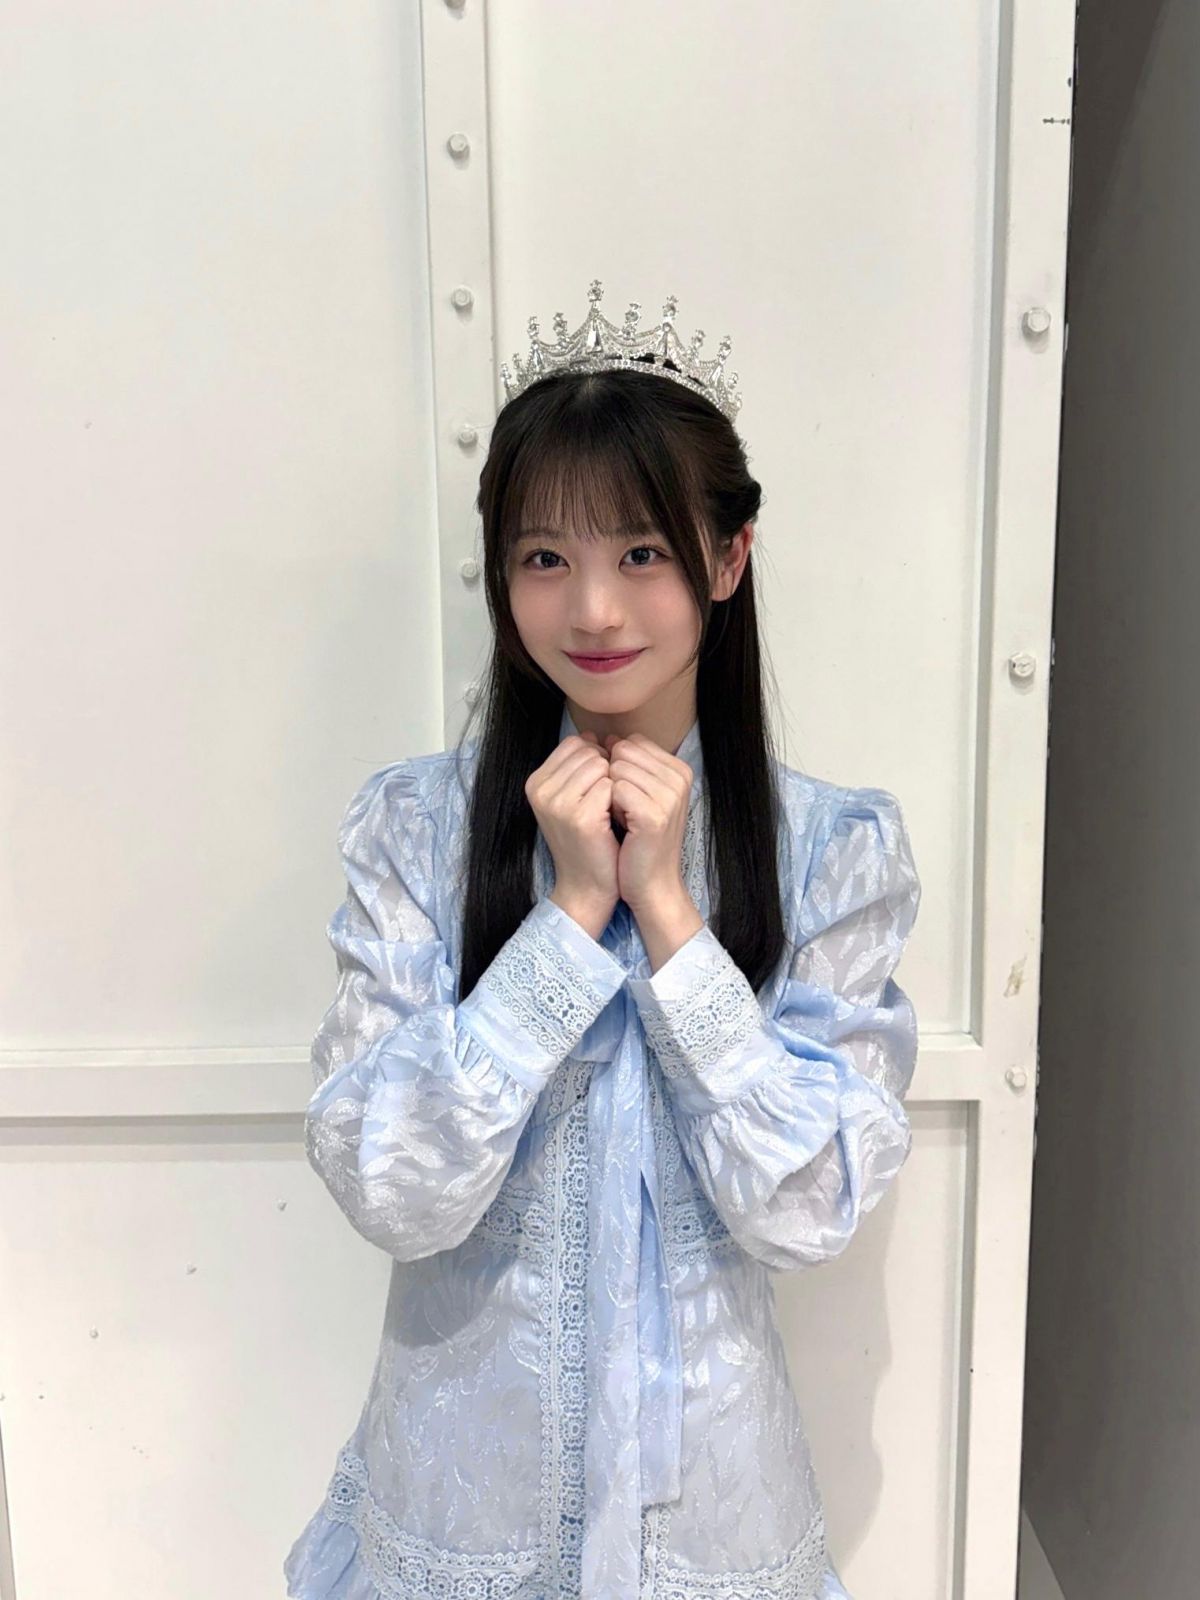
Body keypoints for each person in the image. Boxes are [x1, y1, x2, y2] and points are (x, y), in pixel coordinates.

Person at [283, 282, 921, 1600]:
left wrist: (673, 921)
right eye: (543, 558)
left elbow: (810, 1207)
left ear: (728, 559)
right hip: (460, 1508)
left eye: (640, 552)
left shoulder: (831, 851)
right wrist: (567, 921)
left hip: (710, 1523)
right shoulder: (415, 830)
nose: (593, 610)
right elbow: (390, 1188)